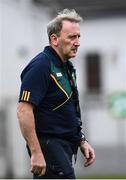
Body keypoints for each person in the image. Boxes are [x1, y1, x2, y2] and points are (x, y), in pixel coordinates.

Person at [17, 9, 95, 179]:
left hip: (64, 147)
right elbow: (23, 111)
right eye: (71, 37)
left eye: (78, 37)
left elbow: (69, 110)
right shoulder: (41, 65)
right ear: (54, 39)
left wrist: (81, 140)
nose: (77, 42)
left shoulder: (67, 67)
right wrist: (36, 152)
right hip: (49, 147)